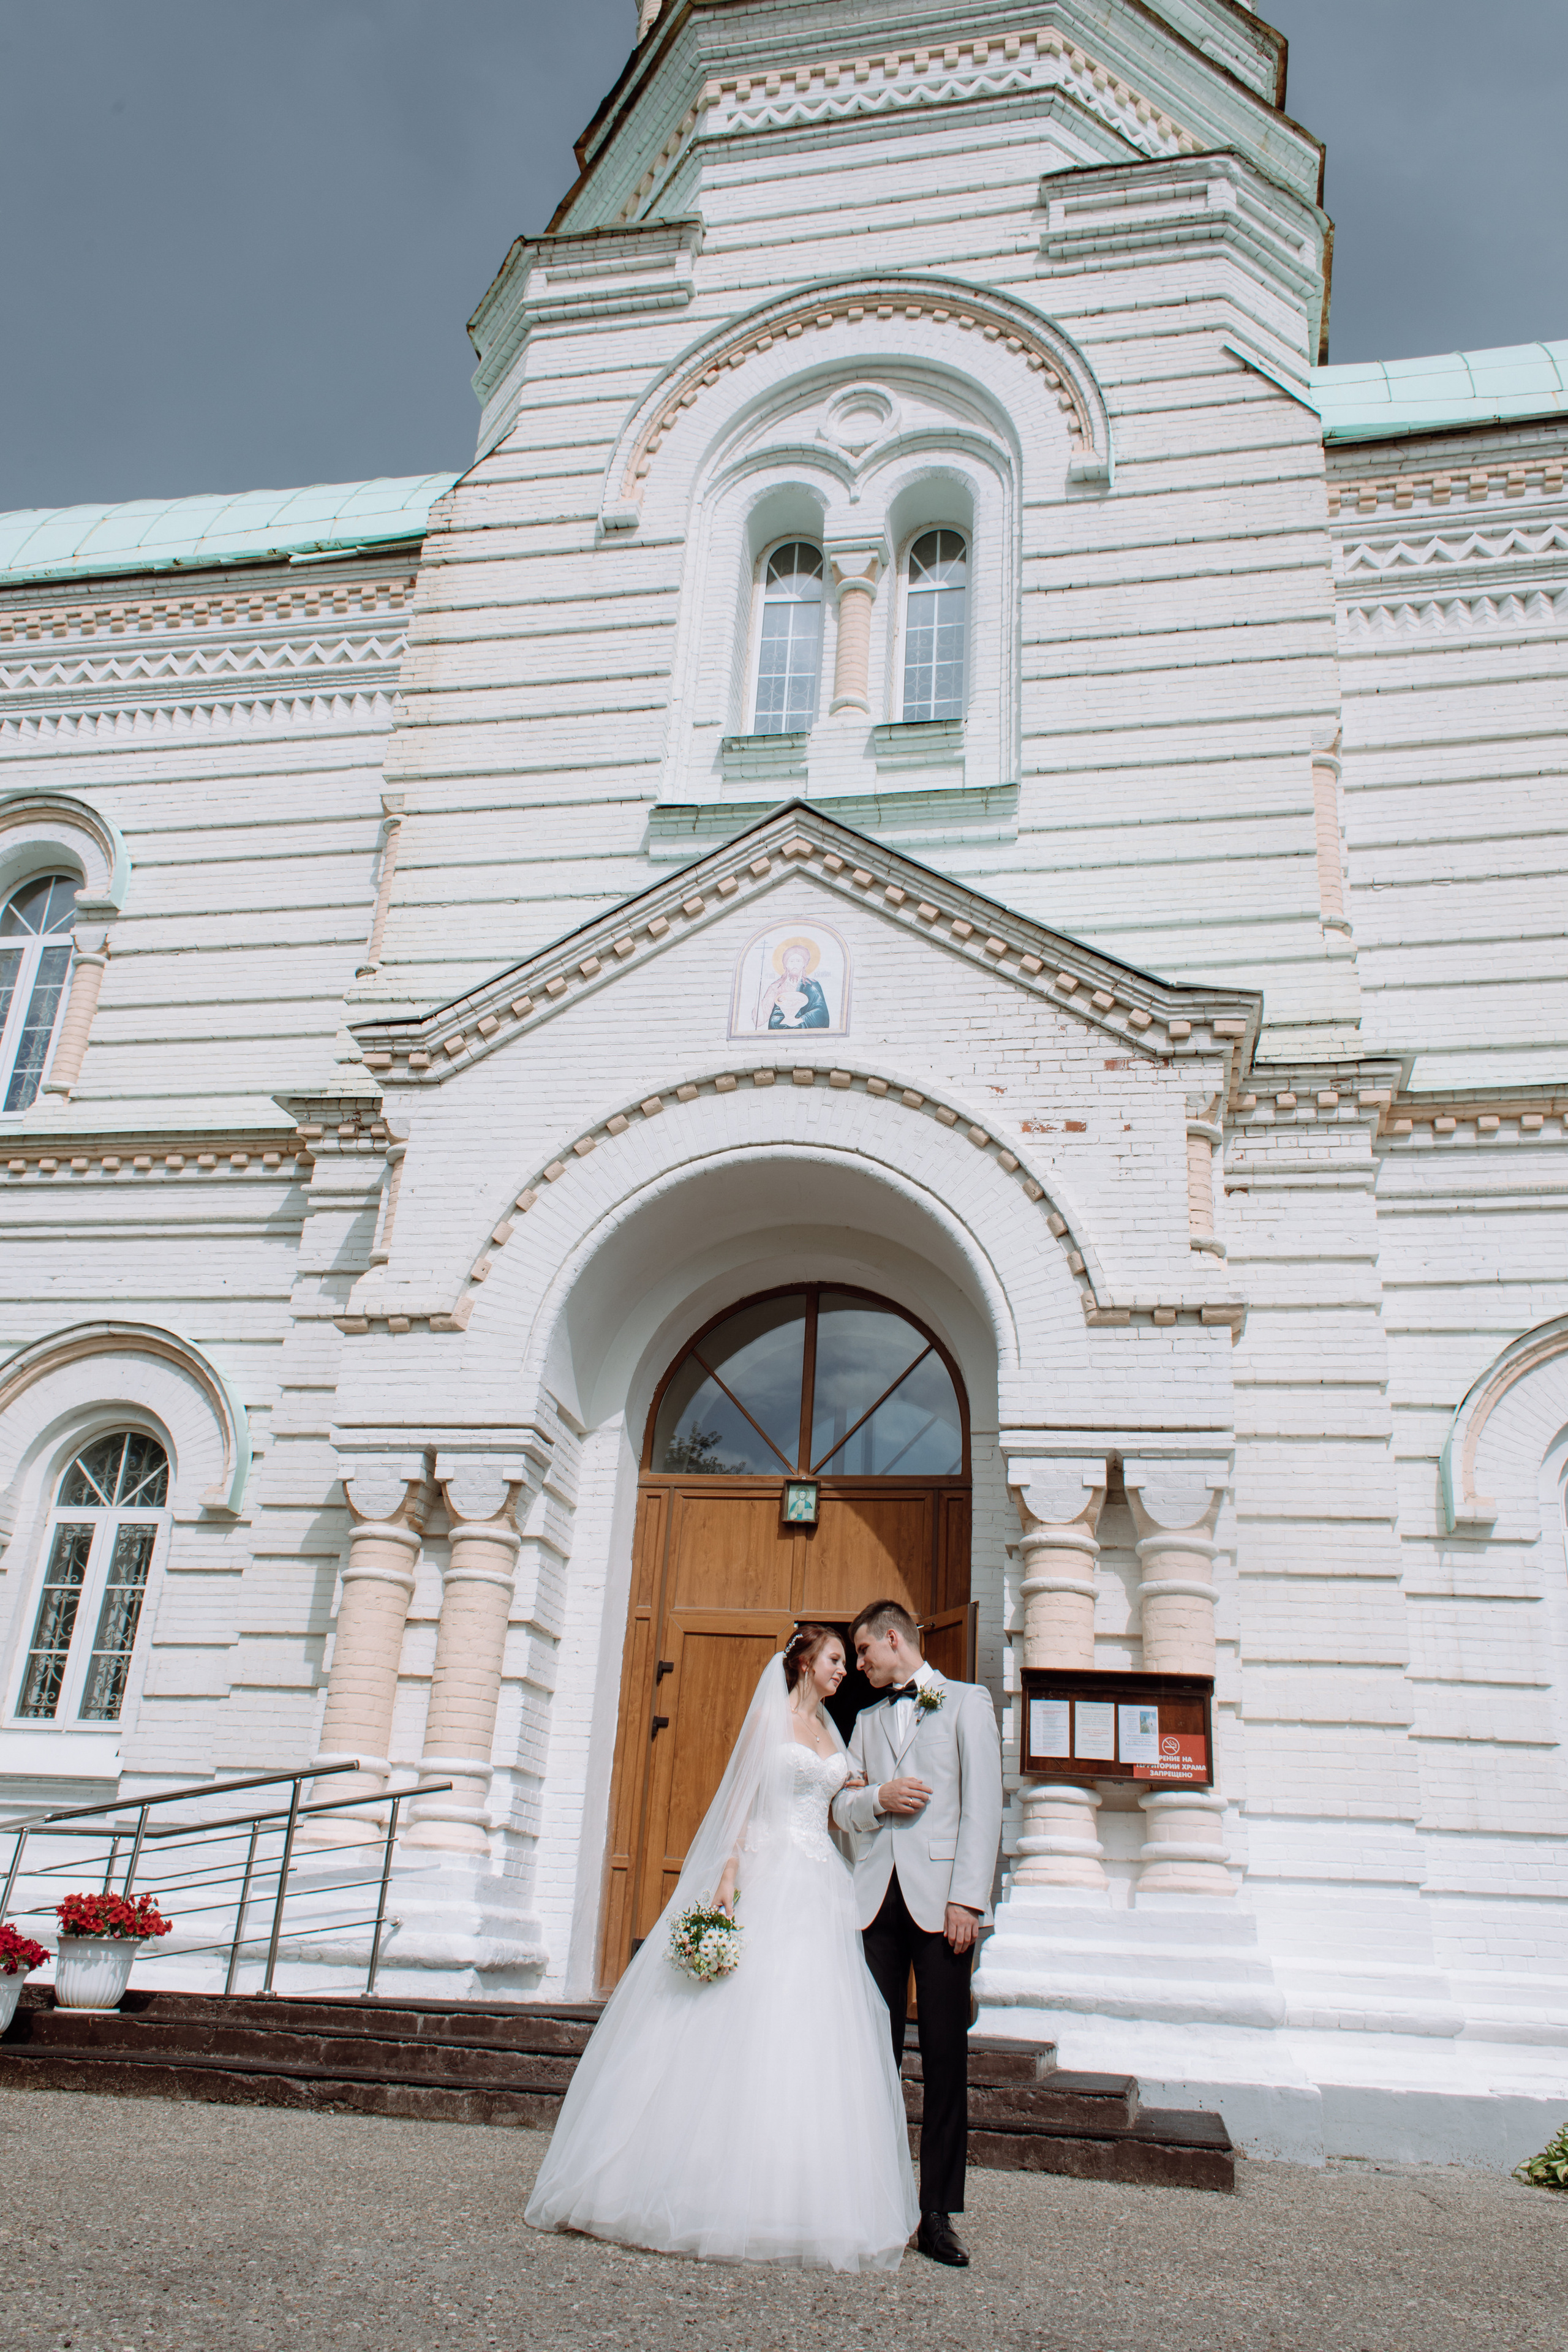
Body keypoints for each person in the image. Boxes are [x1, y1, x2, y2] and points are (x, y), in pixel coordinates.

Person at [524, 1627, 918, 2271]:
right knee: (743, 2018)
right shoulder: (772, 1718)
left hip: (822, 1883)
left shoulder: (830, 1730)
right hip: (771, 1873)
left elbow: (835, 1802)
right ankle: (701, 2179)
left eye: (847, 1661)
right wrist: (727, 1878)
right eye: (834, 1660)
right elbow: (740, 1801)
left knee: (811, 2031)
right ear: (802, 1663)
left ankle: (799, 2188)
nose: (844, 1669)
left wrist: (863, 1792)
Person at [831, 1599, 1003, 2269]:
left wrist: (969, 1900)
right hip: (874, 1906)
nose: (859, 1664)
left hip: (941, 1909)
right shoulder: (866, 1721)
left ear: (892, 1638)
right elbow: (841, 1805)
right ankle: (870, 2201)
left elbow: (982, 1806)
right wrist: (877, 1799)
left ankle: (936, 2214)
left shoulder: (965, 1704)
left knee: (943, 2059)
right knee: (870, 2057)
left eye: (864, 1652)